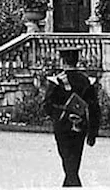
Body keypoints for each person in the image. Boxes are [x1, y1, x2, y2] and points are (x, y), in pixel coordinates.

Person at [42, 47, 100, 187]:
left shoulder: (57, 81)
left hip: (62, 126)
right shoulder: (86, 81)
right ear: (77, 60)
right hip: (80, 125)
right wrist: (93, 133)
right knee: (74, 162)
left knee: (68, 164)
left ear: (63, 61)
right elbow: (94, 109)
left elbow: (46, 106)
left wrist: (57, 114)